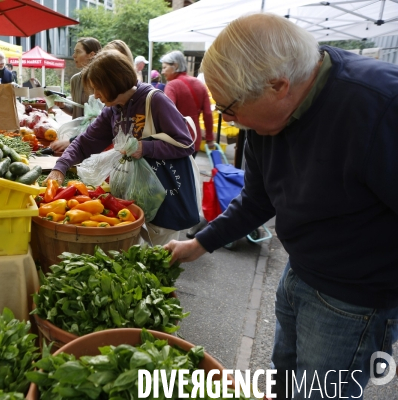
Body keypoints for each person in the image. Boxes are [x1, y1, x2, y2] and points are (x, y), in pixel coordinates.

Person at [164, 13, 398, 399]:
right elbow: (258, 199)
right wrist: (199, 243)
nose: (230, 121)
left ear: (277, 85)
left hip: (354, 301)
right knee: (283, 381)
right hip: (298, 274)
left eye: (231, 110)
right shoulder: (266, 121)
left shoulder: (380, 105)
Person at [46, 50, 200, 245]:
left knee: (160, 259)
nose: (96, 95)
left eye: (98, 88)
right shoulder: (112, 110)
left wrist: (146, 147)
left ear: (113, 82)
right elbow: (84, 142)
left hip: (165, 197)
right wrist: (60, 168)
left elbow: (185, 144)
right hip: (132, 197)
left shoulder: (155, 101)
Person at [50, 37, 102, 154]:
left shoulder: (102, 80)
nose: (74, 56)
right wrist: (62, 106)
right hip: (76, 140)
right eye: (74, 52)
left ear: (91, 54)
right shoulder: (75, 80)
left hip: (96, 141)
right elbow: (75, 112)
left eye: (78, 52)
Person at [160, 50, 213, 152]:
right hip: (195, 139)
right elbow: (207, 113)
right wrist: (209, 138)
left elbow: (167, 114)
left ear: (175, 66)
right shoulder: (199, 84)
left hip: (177, 141)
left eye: (164, 67)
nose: (162, 72)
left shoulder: (172, 85)